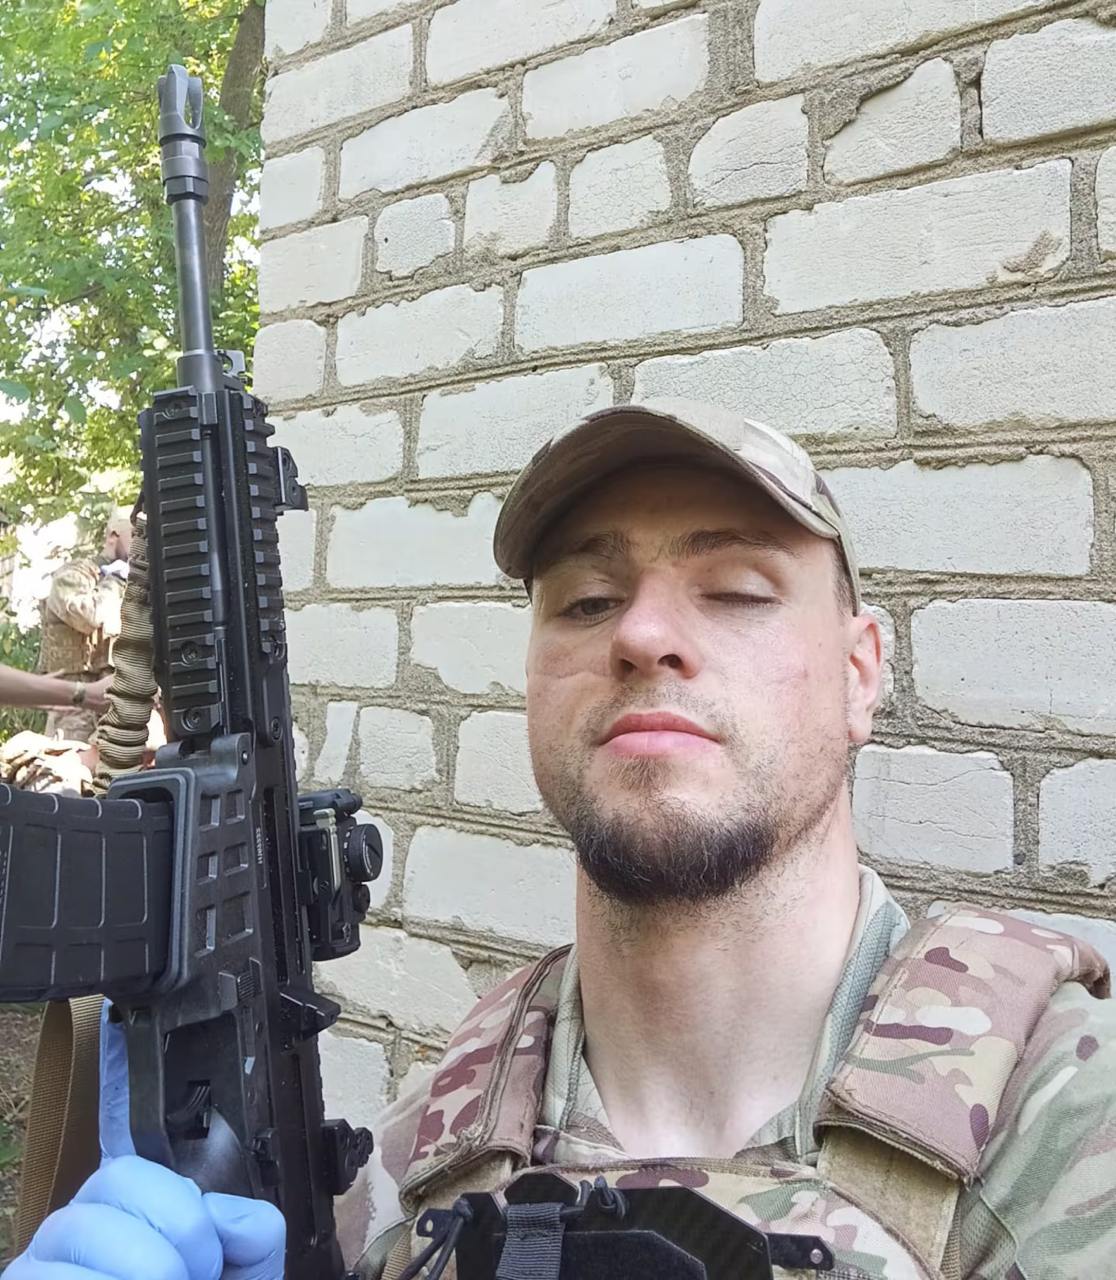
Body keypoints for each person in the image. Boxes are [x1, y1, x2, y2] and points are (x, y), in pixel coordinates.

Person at [10, 403, 1114, 1279]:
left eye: (736, 590)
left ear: (861, 673)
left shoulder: (1067, 1127)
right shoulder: (425, 1152)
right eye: (586, 602)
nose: (642, 632)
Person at [37, 507, 131, 743]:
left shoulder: (135, 583)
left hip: (118, 701)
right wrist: (114, 581)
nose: (143, 543)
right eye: (136, 534)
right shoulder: (74, 575)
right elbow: (88, 616)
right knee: (70, 761)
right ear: (114, 535)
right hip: (75, 707)